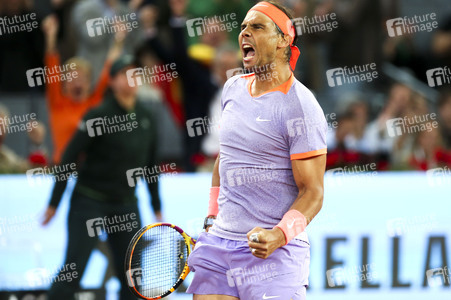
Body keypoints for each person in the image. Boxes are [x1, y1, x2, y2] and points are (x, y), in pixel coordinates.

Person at [186, 2, 327, 299]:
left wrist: (279, 235)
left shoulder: (301, 106)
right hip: (219, 247)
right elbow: (225, 159)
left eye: (257, 27)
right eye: (243, 28)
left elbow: (313, 193)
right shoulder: (233, 88)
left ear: (283, 40)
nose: (245, 33)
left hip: (275, 255)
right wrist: (211, 219)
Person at [42, 55, 162, 300]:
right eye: (125, 74)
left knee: (132, 278)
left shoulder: (146, 116)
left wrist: (156, 205)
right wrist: (54, 203)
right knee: (73, 271)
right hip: (89, 200)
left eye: (135, 73)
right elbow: (68, 158)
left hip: (126, 203)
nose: (131, 79)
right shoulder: (98, 114)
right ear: (112, 81)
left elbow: (151, 166)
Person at [41, 14, 125, 164]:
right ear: (64, 84)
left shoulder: (95, 103)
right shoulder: (57, 103)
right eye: (72, 78)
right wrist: (51, 36)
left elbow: (109, 67)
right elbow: (51, 65)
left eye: (82, 78)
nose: (77, 83)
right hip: (63, 167)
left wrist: (119, 40)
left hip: (90, 170)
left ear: (88, 83)